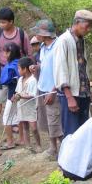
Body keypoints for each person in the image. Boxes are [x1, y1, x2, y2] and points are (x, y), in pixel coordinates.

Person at [0, 8, 31, 136]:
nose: (1, 25)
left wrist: (29, 75)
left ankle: (16, 124)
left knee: (17, 98)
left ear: (11, 21)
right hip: (3, 72)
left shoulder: (22, 35)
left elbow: (29, 55)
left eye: (4, 22)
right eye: (0, 22)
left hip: (19, 73)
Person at [53, 10, 92, 136]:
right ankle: (69, 156)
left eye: (90, 27)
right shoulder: (63, 41)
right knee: (71, 133)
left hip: (83, 93)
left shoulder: (81, 40)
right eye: (87, 26)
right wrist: (69, 97)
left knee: (83, 131)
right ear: (77, 23)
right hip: (71, 95)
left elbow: (83, 67)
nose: (88, 30)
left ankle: (82, 155)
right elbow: (61, 70)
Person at [32, 20, 63, 160]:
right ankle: (53, 147)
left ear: (44, 34)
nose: (36, 35)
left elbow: (61, 70)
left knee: (55, 119)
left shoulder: (58, 46)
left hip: (53, 89)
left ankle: (62, 148)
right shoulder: (43, 47)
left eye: (37, 32)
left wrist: (53, 90)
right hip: (42, 87)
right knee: (46, 118)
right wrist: (37, 68)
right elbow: (45, 65)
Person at [14, 57, 41, 152]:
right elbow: (17, 91)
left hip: (30, 107)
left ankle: (38, 145)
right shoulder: (20, 79)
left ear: (25, 69)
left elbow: (32, 95)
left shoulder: (32, 80)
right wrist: (16, 97)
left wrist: (20, 96)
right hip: (21, 106)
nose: (18, 70)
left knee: (33, 127)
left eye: (19, 68)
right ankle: (28, 145)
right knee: (25, 126)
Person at [0, 42, 21, 150]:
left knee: (6, 118)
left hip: (13, 96)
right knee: (18, 117)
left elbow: (6, 80)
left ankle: (10, 141)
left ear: (11, 53)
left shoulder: (12, 67)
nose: (4, 54)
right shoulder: (18, 64)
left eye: (6, 52)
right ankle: (21, 139)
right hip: (18, 95)